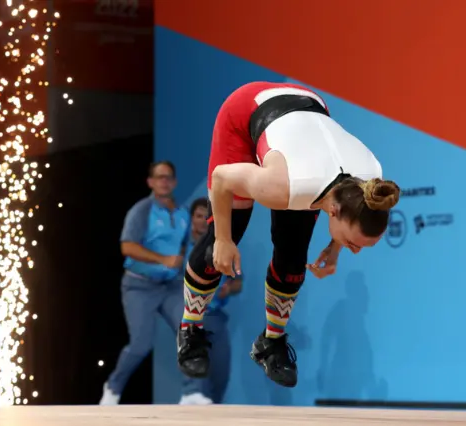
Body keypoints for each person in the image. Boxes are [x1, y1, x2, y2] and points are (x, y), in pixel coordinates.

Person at [176, 81, 401, 388]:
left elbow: (351, 208)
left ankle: (271, 342)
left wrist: (336, 246)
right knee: (219, 244)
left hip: (310, 108)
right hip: (246, 111)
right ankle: (190, 329)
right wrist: (224, 240)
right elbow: (222, 179)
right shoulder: (285, 186)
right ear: (333, 212)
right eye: (352, 244)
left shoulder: (369, 183)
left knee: (293, 255)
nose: (355, 251)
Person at [100, 161, 211, 405]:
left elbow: (182, 244)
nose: (164, 181)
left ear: (174, 182)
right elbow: (127, 247)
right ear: (150, 182)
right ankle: (113, 387)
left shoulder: (182, 213)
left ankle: (191, 392)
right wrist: (162, 259)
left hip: (170, 286)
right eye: (159, 177)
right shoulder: (142, 210)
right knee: (140, 345)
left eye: (168, 177)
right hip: (140, 286)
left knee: (189, 332)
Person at [180, 197, 242, 403]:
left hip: (216, 317)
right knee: (198, 373)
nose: (201, 220)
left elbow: (237, 282)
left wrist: (227, 288)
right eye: (197, 216)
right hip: (192, 317)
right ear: (191, 220)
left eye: (205, 215)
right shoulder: (181, 247)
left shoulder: (224, 245)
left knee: (221, 375)